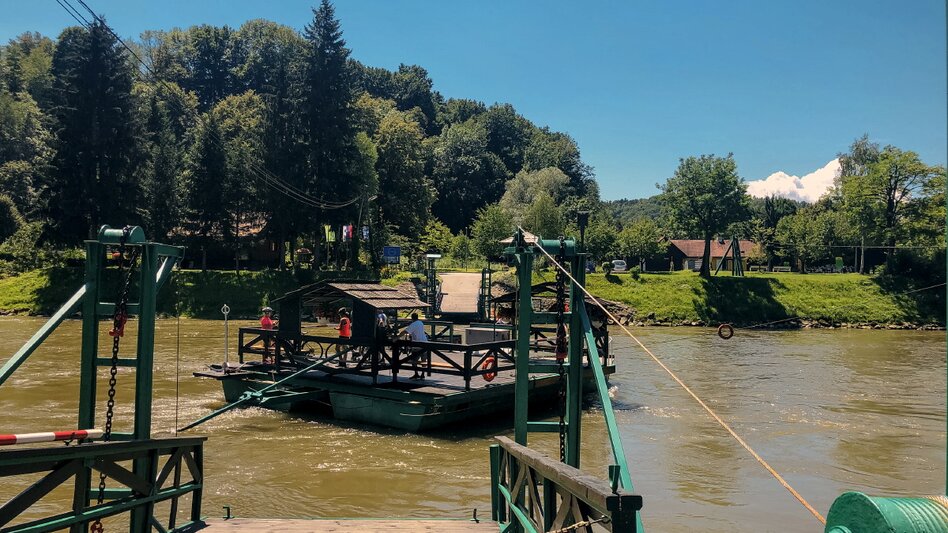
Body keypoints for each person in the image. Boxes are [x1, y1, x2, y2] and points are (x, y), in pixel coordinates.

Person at [401, 312, 428, 380]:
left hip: (417, 344)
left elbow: (405, 331)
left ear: (412, 318)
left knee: (414, 360)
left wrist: (397, 337)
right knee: (423, 360)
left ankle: (416, 373)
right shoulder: (421, 323)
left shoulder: (413, 324)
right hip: (425, 343)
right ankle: (423, 374)